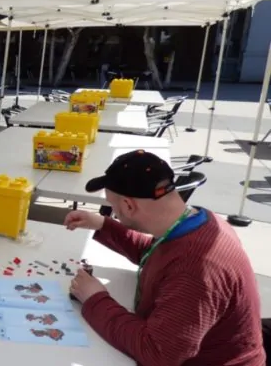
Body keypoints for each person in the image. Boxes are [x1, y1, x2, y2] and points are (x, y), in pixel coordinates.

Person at [64, 150, 265, 365]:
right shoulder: (197, 221)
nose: (114, 212)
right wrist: (103, 224)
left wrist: (95, 298)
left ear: (128, 206)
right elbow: (156, 253)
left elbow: (157, 354)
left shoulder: (195, 268)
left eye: (113, 207)